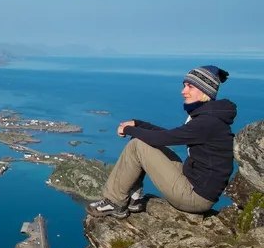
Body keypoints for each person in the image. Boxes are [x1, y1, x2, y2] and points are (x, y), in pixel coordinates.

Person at [86, 65, 236, 219]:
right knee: (143, 143)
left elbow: (161, 138)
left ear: (205, 90)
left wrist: (128, 130)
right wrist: (138, 124)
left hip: (195, 198)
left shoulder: (207, 122)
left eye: (190, 86)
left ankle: (115, 202)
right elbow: (169, 135)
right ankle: (134, 199)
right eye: (184, 86)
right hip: (194, 185)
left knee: (138, 145)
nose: (183, 91)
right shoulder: (209, 117)